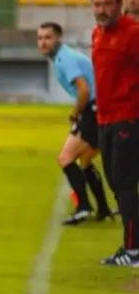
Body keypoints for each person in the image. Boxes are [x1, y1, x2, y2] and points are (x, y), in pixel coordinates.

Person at [37, 21, 114, 225]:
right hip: (98, 107)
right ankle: (103, 209)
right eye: (40, 38)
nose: (43, 43)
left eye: (48, 38)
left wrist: (75, 113)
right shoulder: (63, 57)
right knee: (85, 161)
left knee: (65, 158)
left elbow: (84, 90)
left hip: (94, 108)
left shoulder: (65, 59)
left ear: (58, 39)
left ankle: (83, 208)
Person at [91, 0, 139, 266]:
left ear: (119, 5)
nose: (101, 10)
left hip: (128, 119)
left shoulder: (133, 33)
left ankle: (133, 251)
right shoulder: (96, 34)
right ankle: (132, 245)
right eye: (96, 4)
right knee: (115, 184)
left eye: (107, 4)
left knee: (125, 183)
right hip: (104, 119)